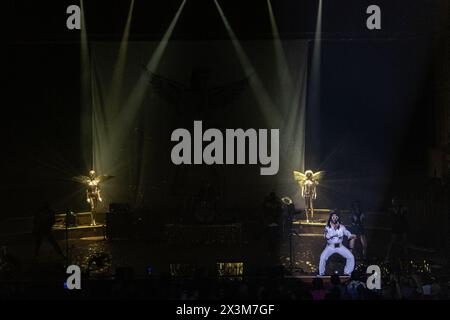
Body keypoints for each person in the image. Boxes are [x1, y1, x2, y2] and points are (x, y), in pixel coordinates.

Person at [319, 211, 356, 276]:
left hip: (340, 246)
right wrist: (334, 231)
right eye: (333, 217)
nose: (334, 218)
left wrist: (350, 235)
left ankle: (347, 272)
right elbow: (326, 236)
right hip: (330, 247)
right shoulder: (327, 227)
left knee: (351, 257)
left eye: (336, 217)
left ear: (338, 218)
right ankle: (321, 273)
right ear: (331, 218)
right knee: (322, 257)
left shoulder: (341, 226)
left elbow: (346, 232)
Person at [385, 196, 409, 261]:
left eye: (394, 201)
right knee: (392, 241)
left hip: (402, 226)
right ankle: (387, 255)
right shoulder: (392, 209)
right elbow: (389, 216)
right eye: (393, 201)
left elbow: (405, 213)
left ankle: (406, 256)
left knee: (404, 241)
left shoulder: (402, 208)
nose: (394, 203)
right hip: (395, 226)